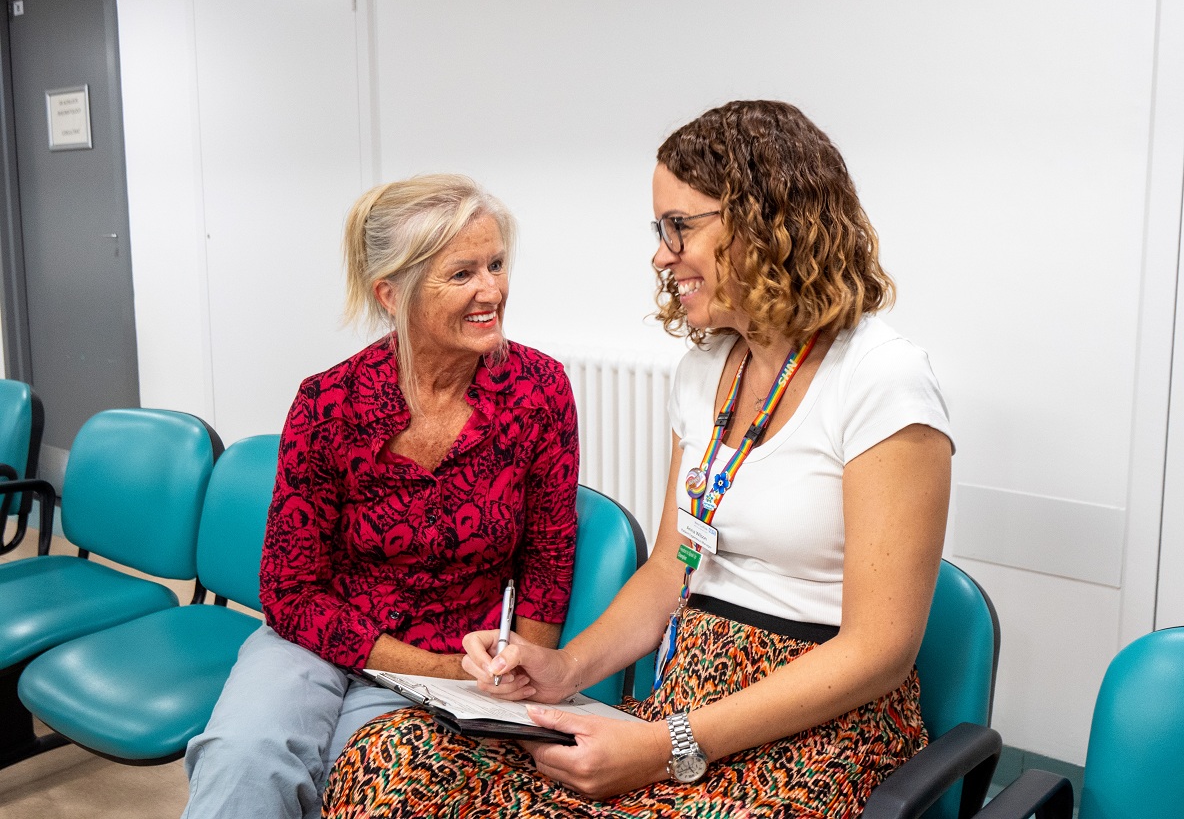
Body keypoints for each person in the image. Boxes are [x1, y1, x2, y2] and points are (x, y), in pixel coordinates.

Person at [322, 101, 954, 818]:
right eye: (660, 230)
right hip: (685, 700)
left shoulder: (881, 380)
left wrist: (665, 747)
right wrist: (561, 671)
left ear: (768, 220)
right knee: (393, 758)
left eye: (678, 227)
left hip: (819, 735)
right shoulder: (704, 372)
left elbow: (880, 652)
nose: (661, 254)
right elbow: (668, 571)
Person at [181, 175, 580, 819]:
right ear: (392, 293)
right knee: (243, 758)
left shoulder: (538, 390)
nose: (493, 291)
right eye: (462, 273)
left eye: (497, 264)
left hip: (454, 656)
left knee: (353, 782)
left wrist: (527, 678)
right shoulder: (328, 403)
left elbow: (547, 555)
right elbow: (289, 589)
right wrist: (426, 664)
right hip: (314, 638)